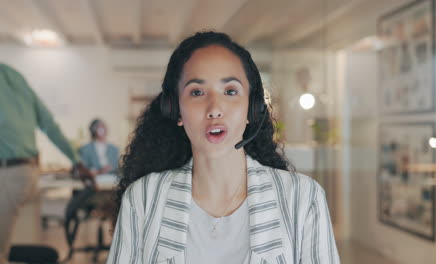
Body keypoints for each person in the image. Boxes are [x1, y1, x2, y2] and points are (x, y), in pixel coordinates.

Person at [107, 32, 339, 264]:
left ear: (252, 108)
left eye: (230, 91)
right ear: (176, 109)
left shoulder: (303, 198)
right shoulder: (142, 198)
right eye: (197, 92)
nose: (215, 109)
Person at [0, 34, 91, 264]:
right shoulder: (10, 73)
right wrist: (76, 161)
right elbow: (49, 124)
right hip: (26, 174)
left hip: (2, 177)